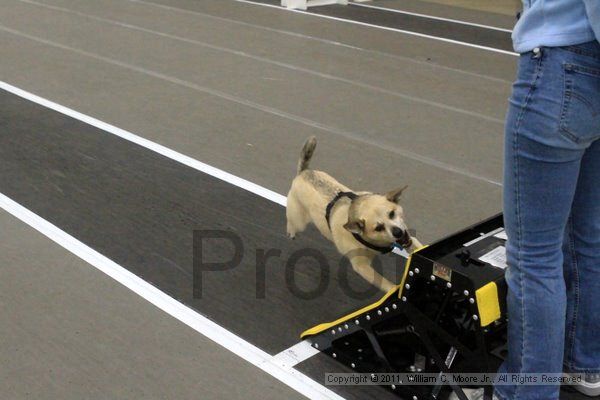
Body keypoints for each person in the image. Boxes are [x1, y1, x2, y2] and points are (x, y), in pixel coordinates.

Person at [452, 1, 600, 399]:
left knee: (535, 255)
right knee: (586, 236)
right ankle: (584, 363)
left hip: (559, 69)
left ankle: (527, 392)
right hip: (589, 72)